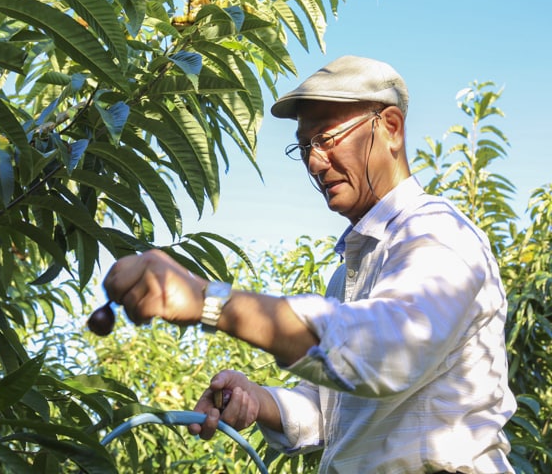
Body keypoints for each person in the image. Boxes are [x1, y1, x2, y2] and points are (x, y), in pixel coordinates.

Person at [102, 55, 516, 473]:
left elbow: (387, 352)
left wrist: (209, 301)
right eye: (305, 146)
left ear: (390, 128)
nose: (315, 163)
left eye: (328, 138)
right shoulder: (349, 272)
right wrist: (258, 400)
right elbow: (332, 412)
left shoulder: (437, 233)